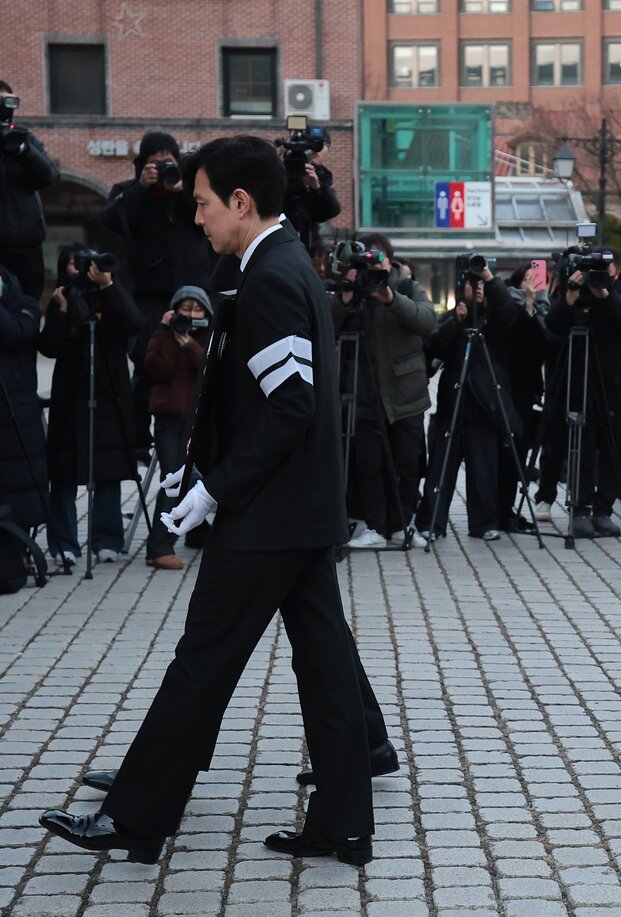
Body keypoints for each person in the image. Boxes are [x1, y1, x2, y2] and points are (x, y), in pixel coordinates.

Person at [39, 135, 375, 865]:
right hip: (292, 507)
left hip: (269, 514)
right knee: (323, 664)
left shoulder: (273, 276)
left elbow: (290, 406)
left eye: (202, 203)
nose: (196, 217)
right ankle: (343, 823)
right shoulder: (273, 267)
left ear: (242, 202)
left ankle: (136, 815)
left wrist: (215, 487)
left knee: (202, 662)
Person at [104, 131, 215, 450]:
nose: (163, 168)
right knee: (147, 362)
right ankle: (139, 437)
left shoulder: (191, 193)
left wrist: (180, 190)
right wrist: (142, 187)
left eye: (169, 160)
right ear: (143, 164)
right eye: (156, 162)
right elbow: (113, 221)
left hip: (195, 294)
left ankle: (196, 430)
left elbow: (203, 221)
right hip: (149, 294)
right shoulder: (128, 192)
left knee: (198, 361)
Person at [38, 246, 143, 565]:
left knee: (108, 467)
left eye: (87, 265)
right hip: (71, 393)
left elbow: (133, 324)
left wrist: (108, 287)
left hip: (108, 389)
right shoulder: (62, 300)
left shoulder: (110, 294)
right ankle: (63, 541)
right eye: (74, 265)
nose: (82, 271)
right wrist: (60, 310)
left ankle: (107, 538)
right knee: (64, 470)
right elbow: (49, 348)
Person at [332, 241, 435, 550]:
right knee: (369, 464)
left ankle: (403, 525)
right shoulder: (354, 290)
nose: (375, 268)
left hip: (407, 395)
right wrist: (346, 296)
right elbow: (325, 326)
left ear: (390, 262)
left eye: (379, 260)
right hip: (364, 393)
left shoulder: (407, 286)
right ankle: (375, 526)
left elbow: (426, 321)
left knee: (407, 464)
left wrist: (391, 298)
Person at [542, 253, 621, 538]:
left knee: (616, 450)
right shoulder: (573, 292)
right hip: (580, 381)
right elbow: (553, 325)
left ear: (616, 270)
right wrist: (570, 296)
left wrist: (606, 294)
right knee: (582, 446)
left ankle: (604, 510)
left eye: (604, 269)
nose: (598, 275)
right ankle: (580, 509)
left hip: (618, 383)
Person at [418, 260, 520, 541]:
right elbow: (435, 345)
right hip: (452, 404)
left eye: (480, 285)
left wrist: (489, 279)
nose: (475, 290)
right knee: (441, 468)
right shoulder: (453, 317)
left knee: (484, 469)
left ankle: (484, 523)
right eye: (471, 283)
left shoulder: (496, 319)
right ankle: (431, 523)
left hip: (484, 407)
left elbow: (509, 309)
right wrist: (457, 321)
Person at [141, 286, 214, 569]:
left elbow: (207, 368)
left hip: (200, 423)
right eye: (186, 309)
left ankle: (196, 531)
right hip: (169, 422)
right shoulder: (163, 336)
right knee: (175, 479)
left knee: (199, 478)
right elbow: (157, 369)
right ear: (174, 311)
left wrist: (187, 341)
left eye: (197, 310)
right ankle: (159, 547)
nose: (191, 315)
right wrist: (167, 334)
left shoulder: (209, 338)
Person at [496, 263, 553, 531]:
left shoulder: (546, 309)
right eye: (528, 278)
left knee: (521, 450)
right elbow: (516, 339)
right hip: (509, 388)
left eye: (538, 278)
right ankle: (502, 511)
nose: (534, 282)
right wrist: (528, 302)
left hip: (530, 388)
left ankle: (507, 509)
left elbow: (546, 341)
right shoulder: (509, 305)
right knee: (510, 451)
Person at [0, 81, 60, 299]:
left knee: (28, 310)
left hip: (27, 247)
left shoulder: (25, 139)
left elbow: (49, 176)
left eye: (5, 101)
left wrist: (24, 150)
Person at [0, 264, 46, 528]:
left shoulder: (25, 304)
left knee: (21, 483)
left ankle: (21, 545)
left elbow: (14, 334)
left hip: (18, 407)